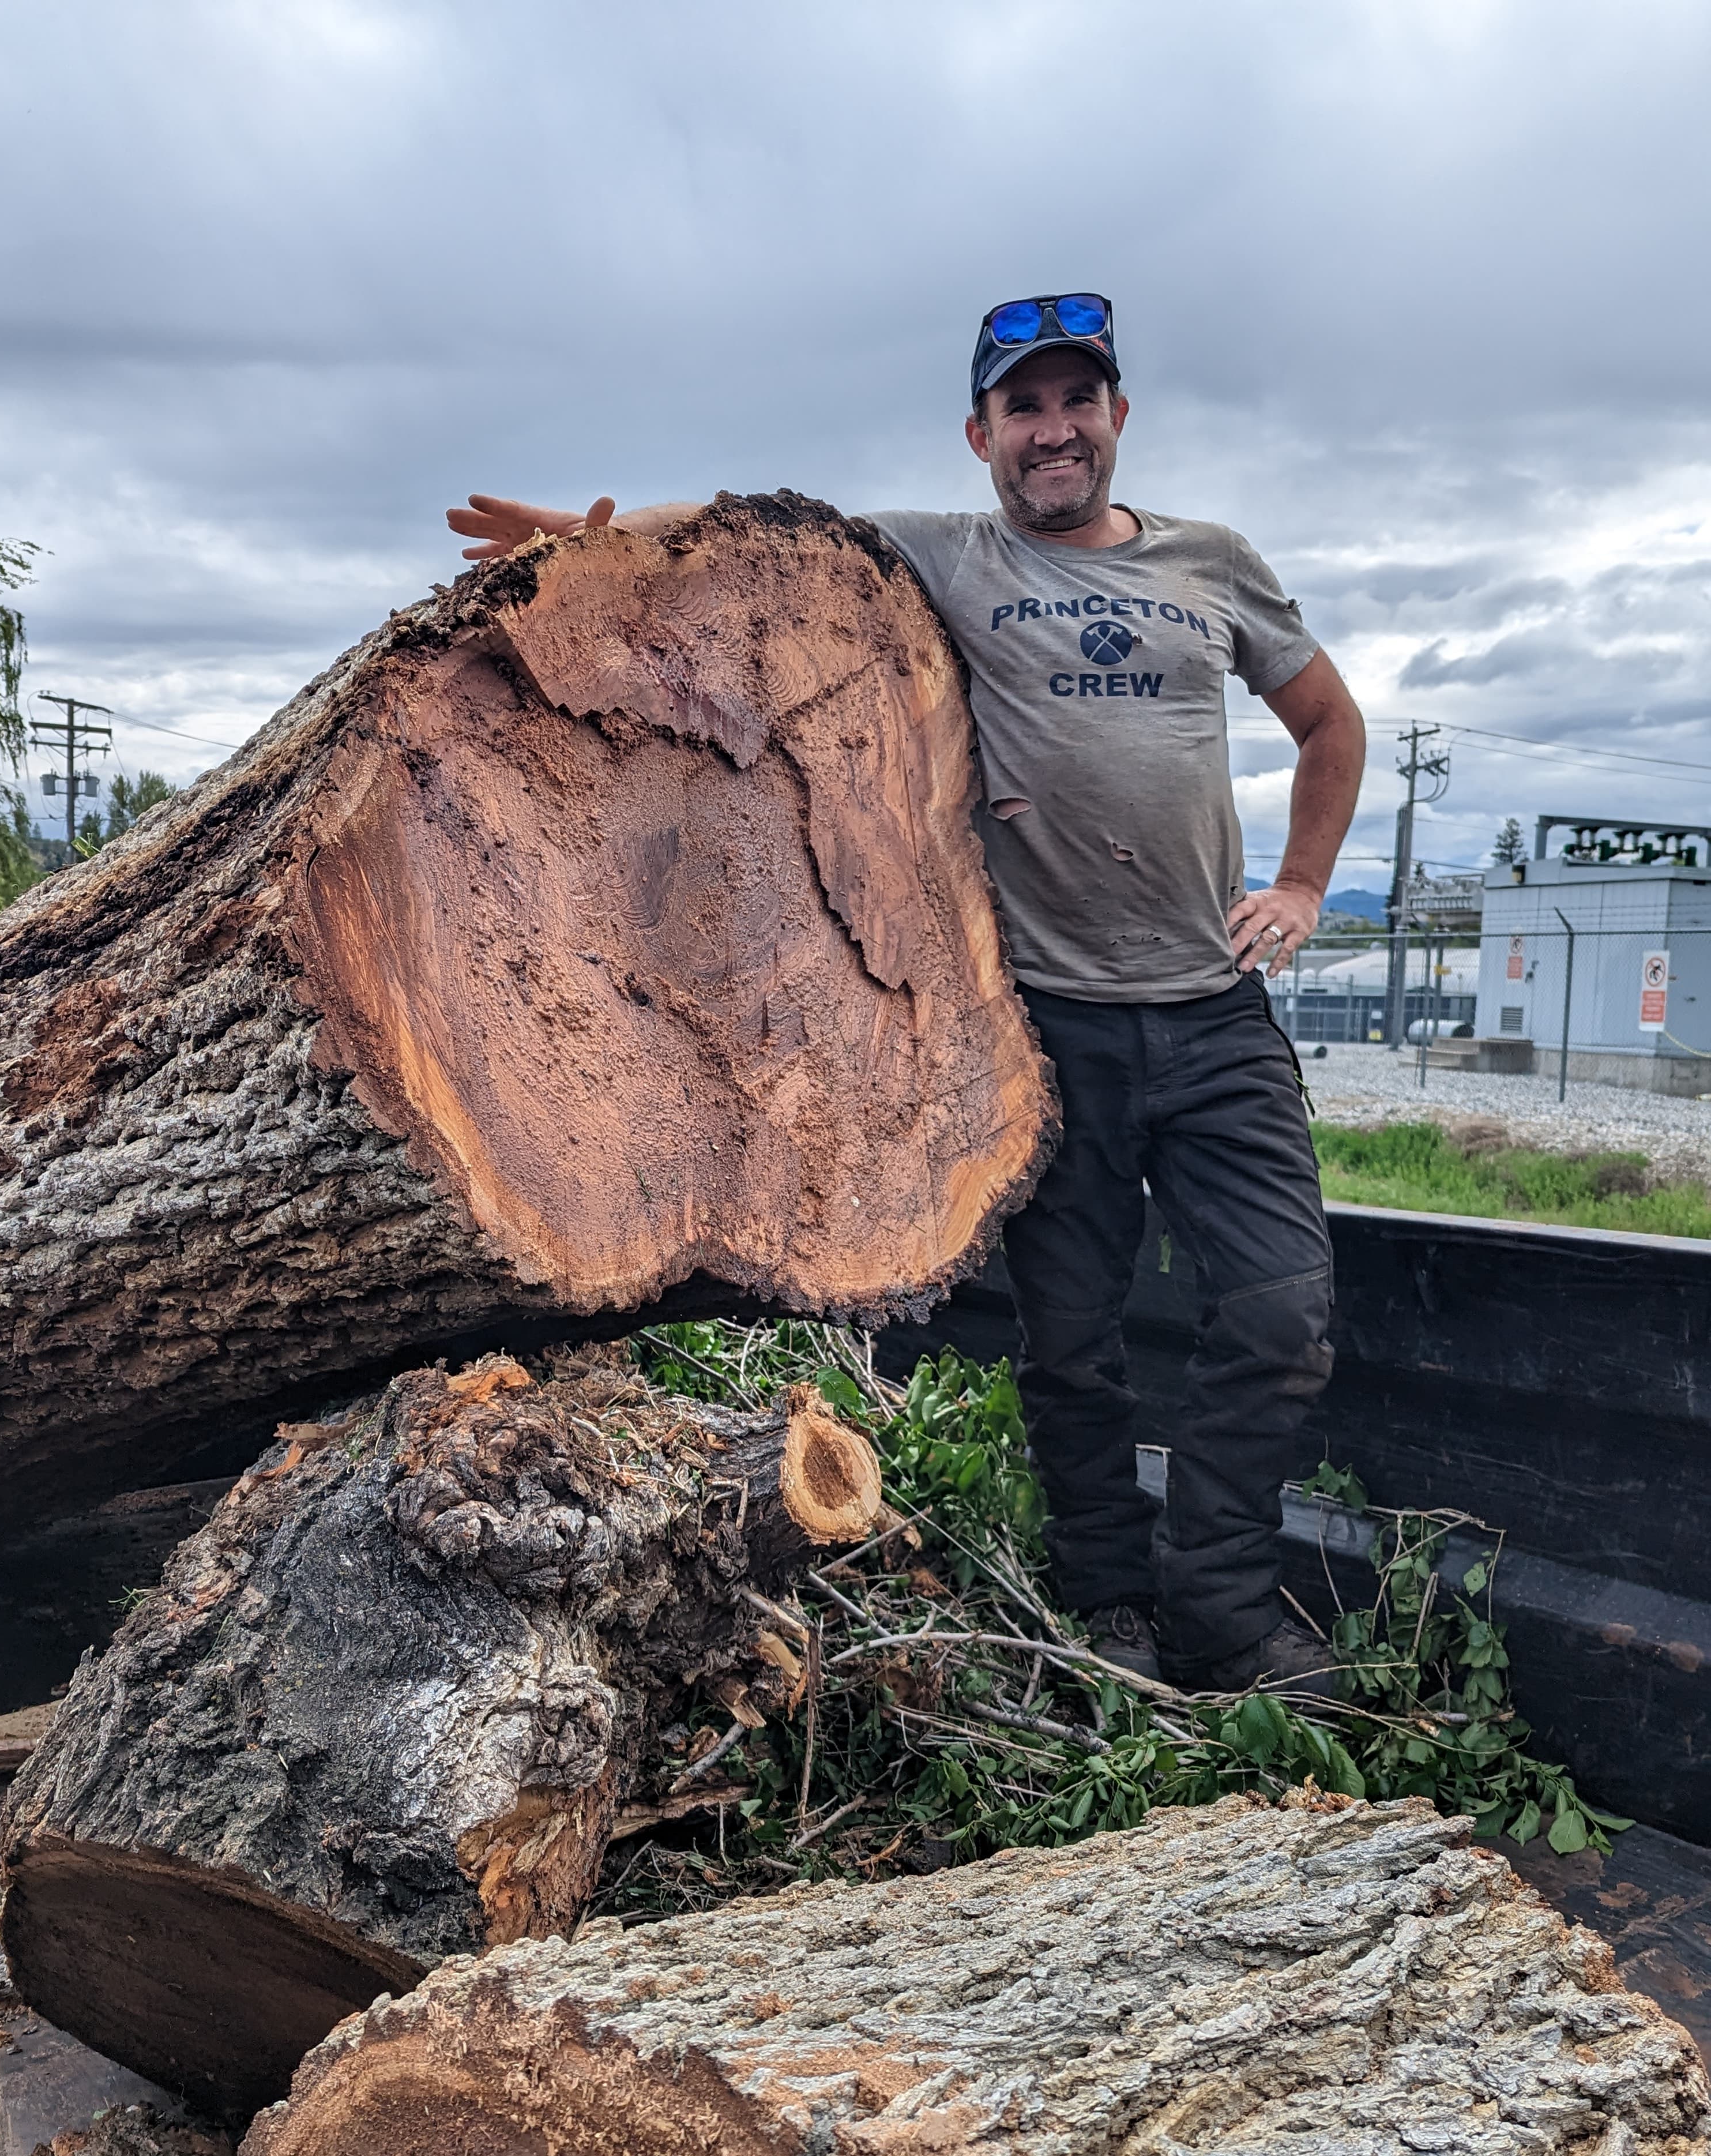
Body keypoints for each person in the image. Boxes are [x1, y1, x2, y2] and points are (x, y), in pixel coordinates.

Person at [446, 290, 1366, 1697]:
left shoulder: (1214, 565)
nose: (1053, 431)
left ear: (1117, 416)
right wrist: (595, 542)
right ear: (980, 434)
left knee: (1283, 1309)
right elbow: (755, 554)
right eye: (1024, 409)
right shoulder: (947, 555)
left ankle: (1222, 1605)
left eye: (1076, 402)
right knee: (1073, 1343)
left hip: (1212, 1010)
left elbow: (1328, 723)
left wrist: (1302, 889)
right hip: (1046, 1031)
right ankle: (1109, 1600)